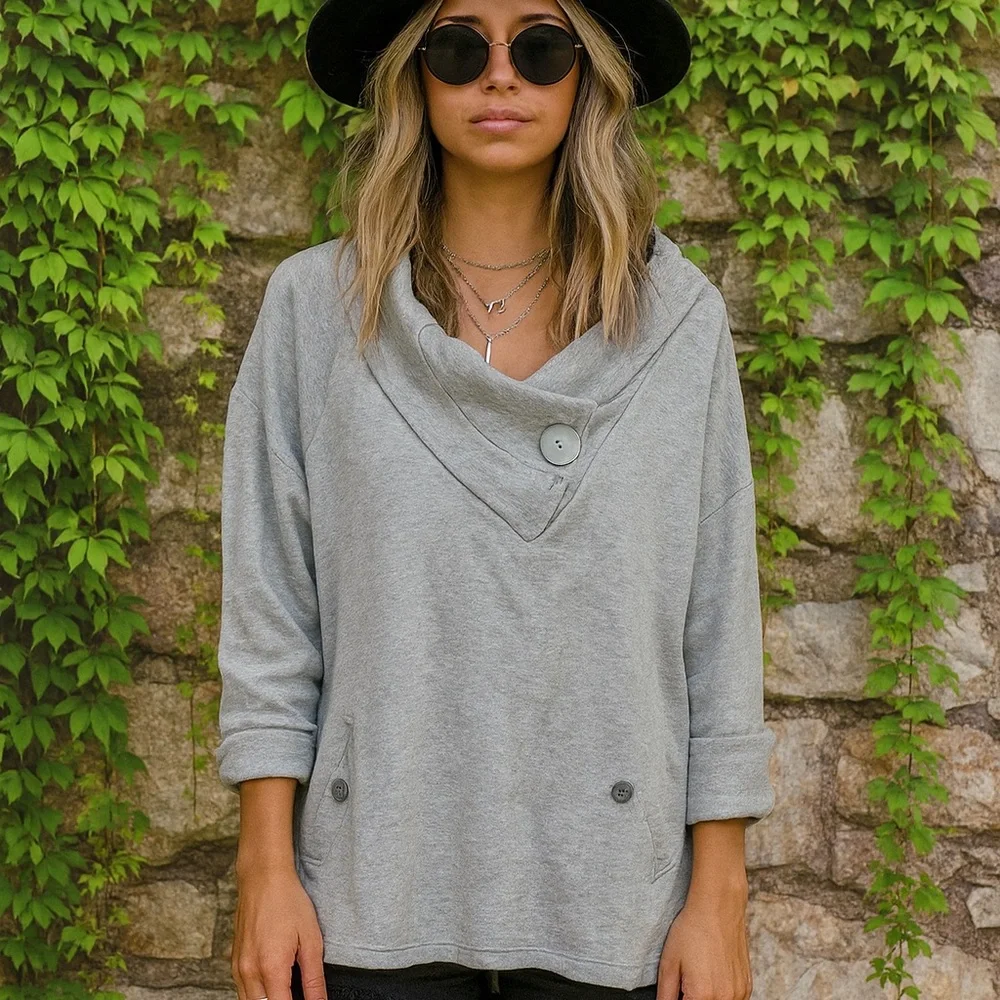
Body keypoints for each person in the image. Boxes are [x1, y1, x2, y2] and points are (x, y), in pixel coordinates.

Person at [215, 1, 778, 999]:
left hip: (617, 902)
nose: (501, 74)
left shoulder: (678, 323)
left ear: (588, 77)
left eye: (543, 46)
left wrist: (718, 896)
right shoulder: (316, 313)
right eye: (459, 45)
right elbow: (272, 613)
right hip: (368, 894)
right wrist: (265, 870)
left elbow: (716, 619)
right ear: (414, 75)